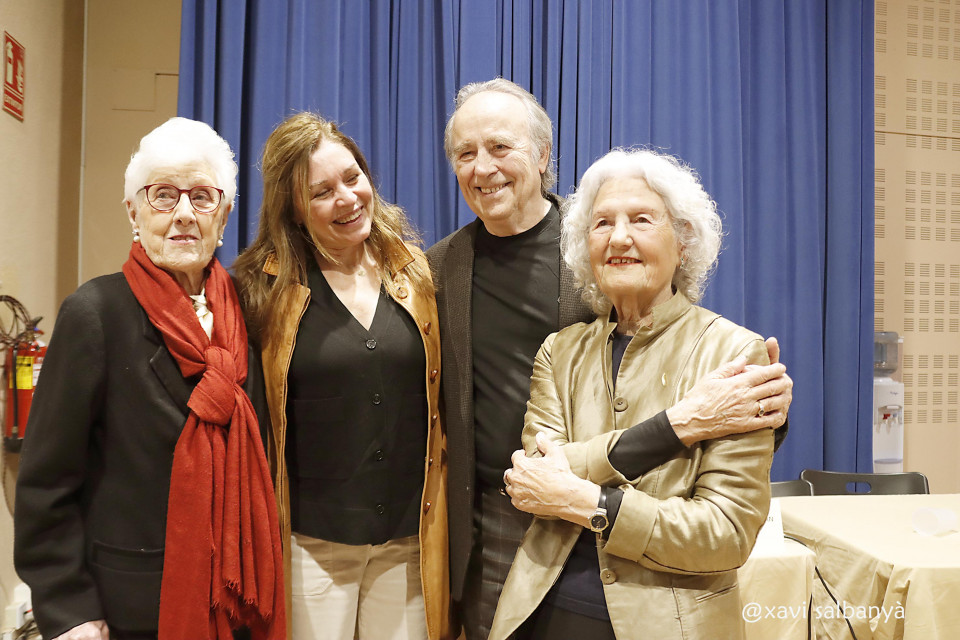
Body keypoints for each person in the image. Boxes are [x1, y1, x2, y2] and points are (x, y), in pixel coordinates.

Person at [426, 78, 793, 640]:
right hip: (502, 531)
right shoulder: (438, 269)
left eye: (500, 147)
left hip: (652, 571)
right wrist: (684, 423)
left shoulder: (597, 238)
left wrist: (762, 410)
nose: (483, 167)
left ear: (542, 155)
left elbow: (683, 358)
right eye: (465, 153)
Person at [14, 118, 283, 640]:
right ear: (133, 212)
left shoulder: (250, 313)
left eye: (201, 197)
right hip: (132, 607)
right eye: (163, 195)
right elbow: (47, 481)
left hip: (239, 600)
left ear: (224, 216)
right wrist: (69, 608)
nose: (183, 213)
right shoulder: (95, 313)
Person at [490, 148, 776, 640]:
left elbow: (726, 534)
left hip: (671, 622)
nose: (618, 237)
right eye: (602, 223)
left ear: (683, 241)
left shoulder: (734, 353)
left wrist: (589, 501)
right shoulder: (560, 351)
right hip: (540, 611)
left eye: (641, 219)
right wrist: (678, 426)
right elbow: (535, 478)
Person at [232, 113, 451, 640]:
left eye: (353, 178)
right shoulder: (260, 290)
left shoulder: (415, 272)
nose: (348, 199)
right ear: (293, 208)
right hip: (311, 547)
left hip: (407, 544)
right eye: (322, 192)